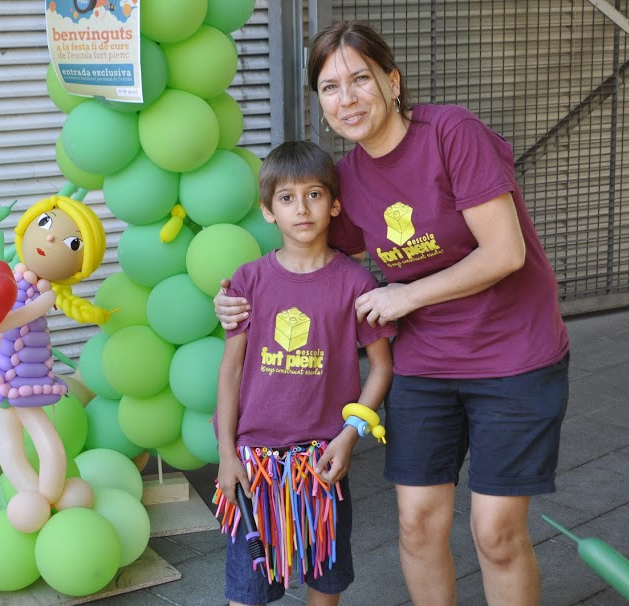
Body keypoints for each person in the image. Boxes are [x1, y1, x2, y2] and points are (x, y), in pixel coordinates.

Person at [215, 21, 570, 606]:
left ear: (392, 81)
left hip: (514, 355)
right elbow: (317, 263)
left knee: (497, 534)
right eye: (330, 87)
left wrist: (404, 295)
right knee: (417, 524)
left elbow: (505, 253)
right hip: (426, 364)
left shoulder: (452, 133)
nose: (347, 97)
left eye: (360, 79)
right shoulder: (345, 181)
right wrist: (237, 298)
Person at [214, 140, 396, 606]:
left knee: (326, 581)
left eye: (315, 194)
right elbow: (231, 371)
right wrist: (226, 453)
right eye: (287, 197)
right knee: (247, 590)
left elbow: (381, 368)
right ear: (268, 210)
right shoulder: (248, 281)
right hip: (255, 462)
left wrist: (350, 436)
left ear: (334, 204)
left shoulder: (356, 283)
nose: (302, 208)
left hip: (322, 461)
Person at [0, 194, 112, 533]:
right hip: (2, 372)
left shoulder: (47, 295)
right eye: (45, 224)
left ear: (79, 267)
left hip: (28, 374)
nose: (52, 238)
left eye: (72, 242)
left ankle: (48, 493)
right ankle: (32, 495)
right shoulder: (6, 277)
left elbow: (23, 315)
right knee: (8, 439)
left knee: (46, 439)